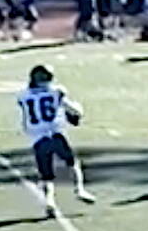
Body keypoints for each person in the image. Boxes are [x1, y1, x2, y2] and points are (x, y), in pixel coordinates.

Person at [17, 64, 95, 215]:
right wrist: (77, 112)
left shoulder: (23, 95)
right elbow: (75, 111)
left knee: (46, 175)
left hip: (38, 138)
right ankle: (80, 190)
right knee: (72, 163)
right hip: (55, 134)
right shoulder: (56, 92)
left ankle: (49, 202)